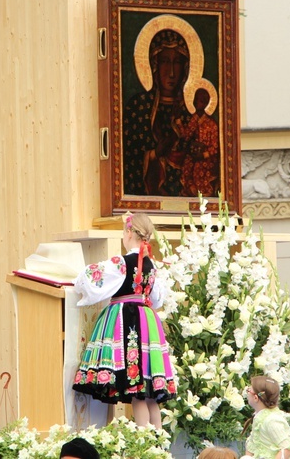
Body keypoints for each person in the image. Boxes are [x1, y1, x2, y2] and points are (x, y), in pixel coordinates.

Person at [71, 212, 177, 429]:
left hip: (127, 320)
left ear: (129, 232)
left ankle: (143, 443)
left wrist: (76, 282)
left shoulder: (122, 262)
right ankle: (158, 441)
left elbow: (90, 278)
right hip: (146, 319)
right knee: (148, 392)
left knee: (137, 388)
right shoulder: (152, 265)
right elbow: (156, 300)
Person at [122, 28, 193, 196]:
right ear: (154, 65)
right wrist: (154, 154)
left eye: (177, 62)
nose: (171, 72)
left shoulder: (189, 111)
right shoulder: (138, 107)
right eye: (165, 62)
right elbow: (128, 157)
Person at [243, 376, 290, 459]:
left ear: (255, 398)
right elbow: (251, 447)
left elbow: (286, 448)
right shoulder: (259, 417)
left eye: (248, 390)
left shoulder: (272, 420)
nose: (247, 393)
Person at [179, 87, 220, 197]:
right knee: (187, 166)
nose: (198, 103)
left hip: (205, 159)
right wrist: (179, 124)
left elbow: (215, 147)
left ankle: (203, 197)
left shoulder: (211, 124)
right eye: (196, 100)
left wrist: (203, 155)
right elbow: (186, 136)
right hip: (193, 156)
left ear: (206, 103)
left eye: (201, 100)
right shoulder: (193, 120)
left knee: (200, 171)